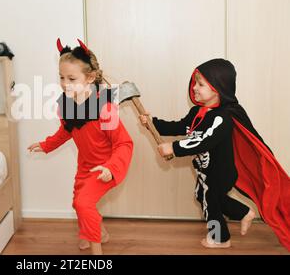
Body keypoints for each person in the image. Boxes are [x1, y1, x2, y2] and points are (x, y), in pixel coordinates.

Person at [140, 59, 289, 250]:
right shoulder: (197, 113)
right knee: (204, 196)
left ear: (218, 88)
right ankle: (244, 212)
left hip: (221, 171)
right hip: (206, 170)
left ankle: (220, 238)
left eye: (201, 84)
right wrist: (152, 123)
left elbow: (204, 140)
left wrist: (174, 148)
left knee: (210, 199)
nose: (194, 88)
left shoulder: (222, 118)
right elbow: (179, 126)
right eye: (195, 82)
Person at [28, 39, 133, 255]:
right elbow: (66, 131)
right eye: (61, 77)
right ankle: (99, 233)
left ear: (90, 78)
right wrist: (46, 145)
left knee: (84, 204)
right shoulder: (66, 105)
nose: (65, 83)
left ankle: (97, 252)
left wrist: (112, 167)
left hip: (104, 167)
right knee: (78, 203)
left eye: (71, 78)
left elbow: (124, 143)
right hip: (85, 166)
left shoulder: (103, 107)